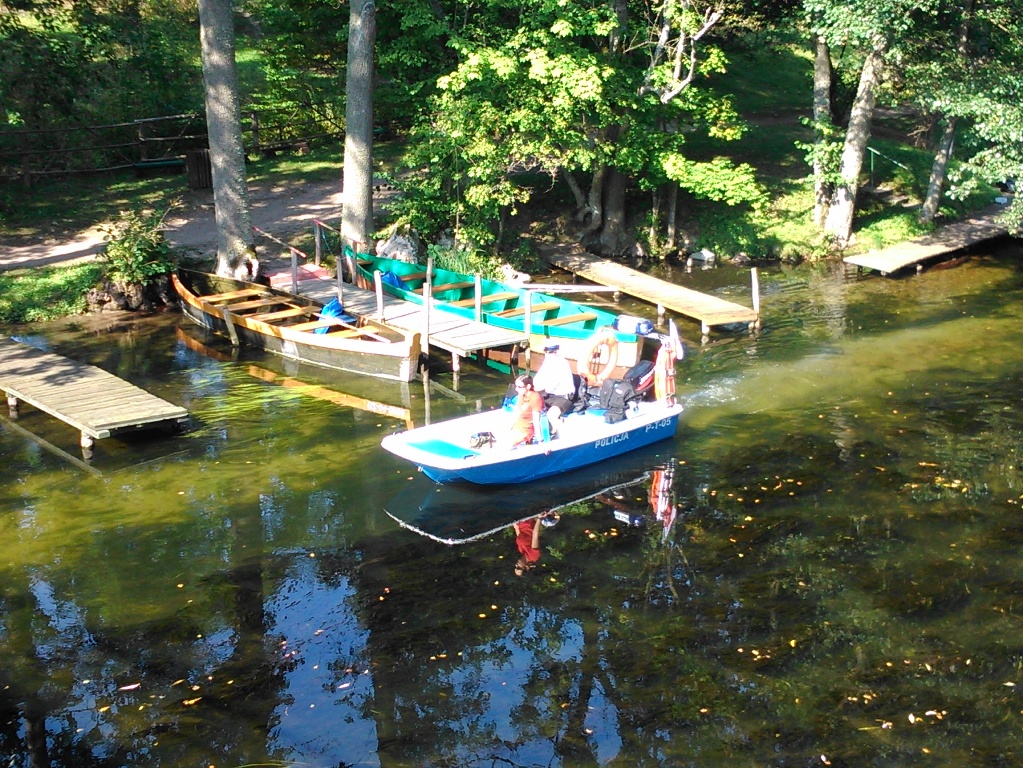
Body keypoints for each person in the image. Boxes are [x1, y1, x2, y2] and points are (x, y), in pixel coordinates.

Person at [531, 343, 576, 437]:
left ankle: (564, 437)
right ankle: (542, 431)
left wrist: (540, 387)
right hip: (550, 395)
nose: (548, 354)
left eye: (551, 352)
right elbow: (538, 378)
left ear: (556, 352)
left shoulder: (562, 363)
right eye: (547, 352)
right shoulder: (547, 362)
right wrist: (532, 386)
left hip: (564, 397)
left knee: (551, 415)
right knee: (533, 405)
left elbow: (552, 384)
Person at [512, 511, 559, 576]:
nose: (516, 565)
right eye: (518, 567)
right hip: (527, 521)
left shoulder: (521, 551)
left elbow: (519, 534)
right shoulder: (533, 556)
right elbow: (535, 535)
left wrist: (514, 524)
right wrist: (539, 519)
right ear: (526, 567)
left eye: (515, 567)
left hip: (519, 521)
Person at [506, 375, 546, 448]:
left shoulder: (535, 398)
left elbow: (536, 421)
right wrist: (508, 428)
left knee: (506, 444)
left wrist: (541, 442)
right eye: (516, 386)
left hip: (526, 431)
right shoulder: (522, 395)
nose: (516, 389)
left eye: (519, 387)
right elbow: (516, 413)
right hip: (517, 427)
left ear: (528, 386)